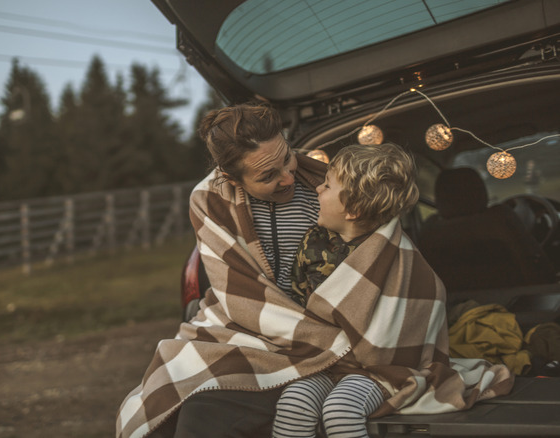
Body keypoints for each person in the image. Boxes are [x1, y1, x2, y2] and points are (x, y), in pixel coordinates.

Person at [116, 104, 514, 438]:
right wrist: (336, 346)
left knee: (212, 414)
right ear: (231, 178)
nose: (288, 177)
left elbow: (384, 263)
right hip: (260, 330)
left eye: (286, 158)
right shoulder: (210, 200)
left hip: (351, 338)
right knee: (182, 398)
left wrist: (359, 348)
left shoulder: (331, 182)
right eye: (267, 176)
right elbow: (240, 296)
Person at [272, 143, 418, 438]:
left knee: (341, 410)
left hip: (377, 369)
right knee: (293, 403)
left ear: (353, 209)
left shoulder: (394, 252)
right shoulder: (312, 242)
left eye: (326, 186)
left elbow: (408, 320)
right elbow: (298, 302)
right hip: (323, 361)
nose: (317, 190)